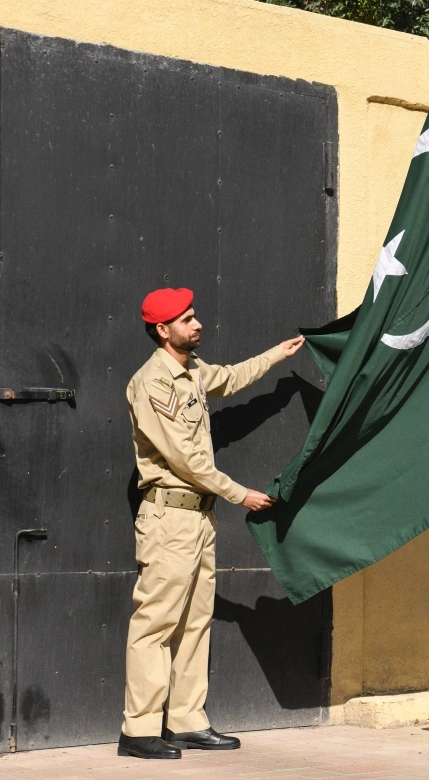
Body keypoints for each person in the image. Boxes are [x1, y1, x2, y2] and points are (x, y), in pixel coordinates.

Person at [118, 287, 305, 760]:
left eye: (195, 315)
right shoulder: (153, 382)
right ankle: (138, 730)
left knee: (195, 622)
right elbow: (184, 458)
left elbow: (230, 377)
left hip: (198, 517)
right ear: (162, 330)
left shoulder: (192, 370)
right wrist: (238, 493)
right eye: (186, 319)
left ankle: (185, 721)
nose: (197, 324)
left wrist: (277, 354)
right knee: (156, 623)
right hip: (169, 516)